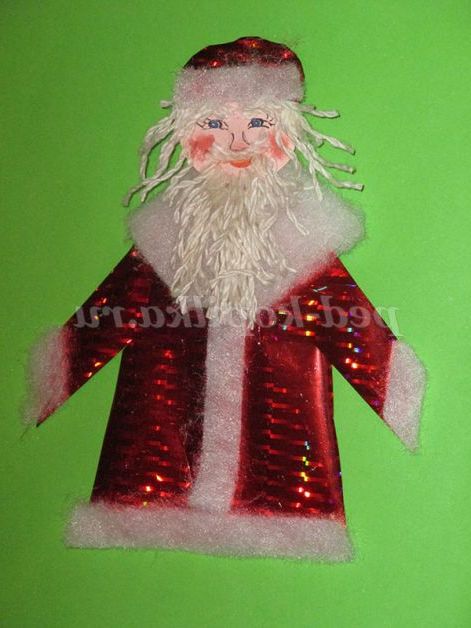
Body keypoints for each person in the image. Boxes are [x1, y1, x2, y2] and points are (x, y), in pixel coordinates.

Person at [26, 37, 425, 560]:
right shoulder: (165, 239)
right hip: (158, 443)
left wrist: (395, 390)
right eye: (214, 123)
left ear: (288, 130)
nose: (236, 142)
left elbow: (348, 324)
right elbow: (110, 314)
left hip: (279, 448)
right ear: (185, 132)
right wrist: (54, 381)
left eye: (257, 123)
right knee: (150, 458)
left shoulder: (304, 240)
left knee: (282, 469)